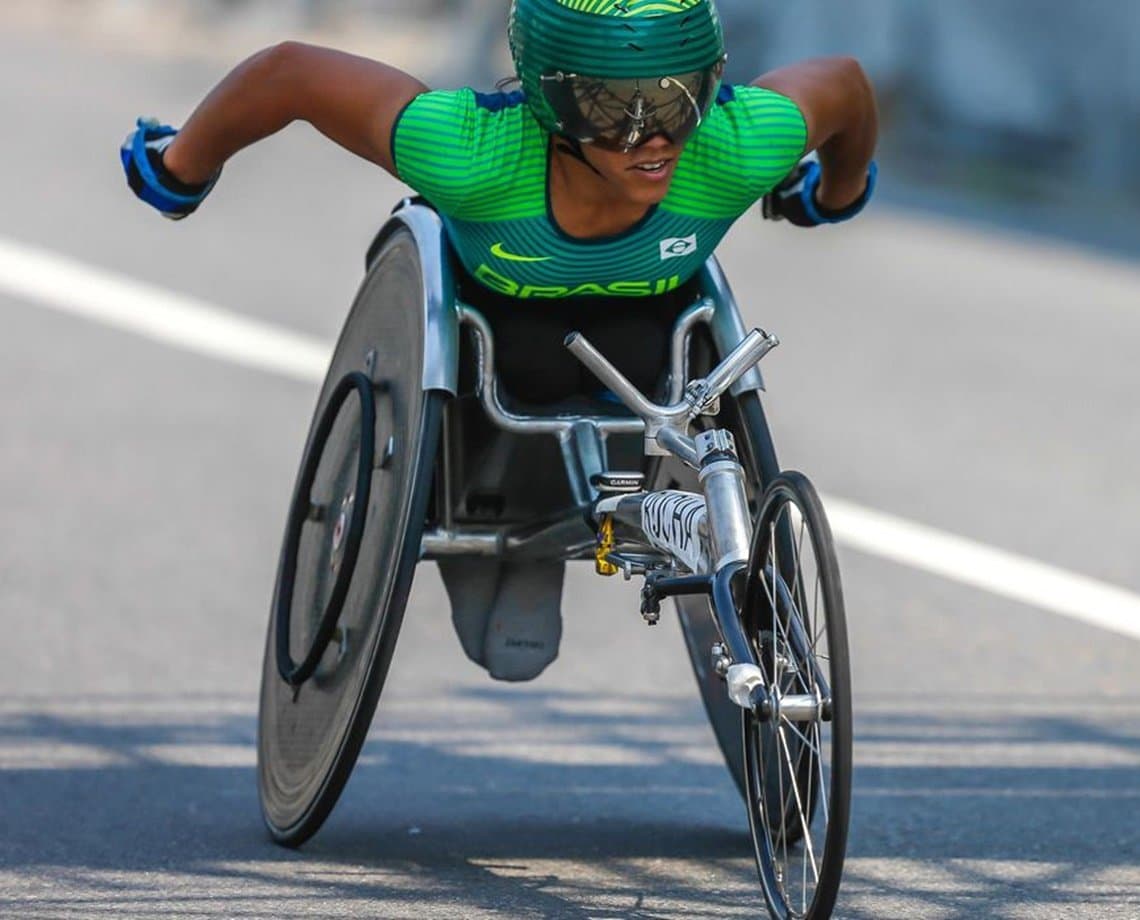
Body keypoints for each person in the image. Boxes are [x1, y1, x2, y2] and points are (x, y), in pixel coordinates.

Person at [121, 0, 878, 681]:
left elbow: (845, 83)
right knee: (515, 650)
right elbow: (289, 75)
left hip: (644, 355)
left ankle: (555, 524)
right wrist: (181, 164)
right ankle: (506, 527)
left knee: (520, 647)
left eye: (680, 101)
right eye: (612, 108)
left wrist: (828, 193)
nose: (652, 138)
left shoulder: (735, 144)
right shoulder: (473, 152)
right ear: (550, 102)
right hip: (490, 361)